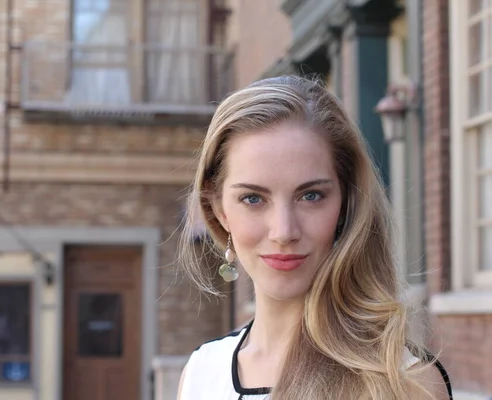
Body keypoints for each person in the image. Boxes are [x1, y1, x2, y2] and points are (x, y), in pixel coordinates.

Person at [176, 75, 452, 400]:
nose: (284, 232)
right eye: (253, 198)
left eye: (310, 196)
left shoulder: (404, 382)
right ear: (219, 210)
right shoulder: (202, 372)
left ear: (346, 202)